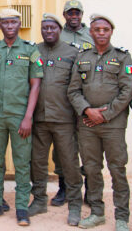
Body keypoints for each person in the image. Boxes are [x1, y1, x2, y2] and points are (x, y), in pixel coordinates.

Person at [67, 14, 132, 231]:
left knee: (117, 170)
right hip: (87, 124)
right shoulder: (83, 57)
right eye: (97, 29)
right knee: (91, 169)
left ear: (111, 31)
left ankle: (122, 217)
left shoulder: (123, 57)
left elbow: (127, 91)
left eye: (105, 29)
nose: (101, 33)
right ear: (91, 32)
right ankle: (97, 212)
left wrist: (104, 115)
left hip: (113, 125)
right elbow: (73, 90)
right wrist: (87, 110)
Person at [0, 8, 43, 227]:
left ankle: (22, 207)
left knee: (22, 163)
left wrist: (28, 117)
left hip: (20, 116)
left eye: (13, 22)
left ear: (19, 24)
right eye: (4, 23)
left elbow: (35, 86)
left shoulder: (30, 50)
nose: (8, 26)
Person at [28, 13, 82, 226]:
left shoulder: (72, 52)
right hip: (39, 119)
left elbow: (78, 85)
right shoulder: (35, 50)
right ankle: (39, 200)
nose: (48, 31)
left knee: (69, 163)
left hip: (64, 119)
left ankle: (75, 204)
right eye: (45, 28)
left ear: (60, 29)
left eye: (52, 28)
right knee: (38, 162)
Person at [53, 0, 94, 206]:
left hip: (87, 98)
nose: (74, 16)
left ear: (82, 14)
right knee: (63, 147)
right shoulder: (59, 35)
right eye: (70, 13)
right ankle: (64, 188)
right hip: (63, 99)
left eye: (77, 13)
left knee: (87, 146)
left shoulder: (92, 35)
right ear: (65, 15)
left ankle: (89, 189)